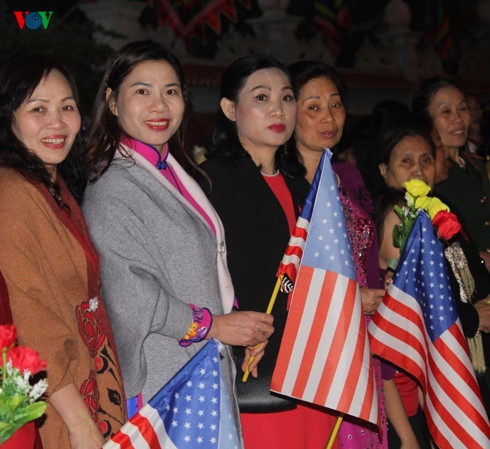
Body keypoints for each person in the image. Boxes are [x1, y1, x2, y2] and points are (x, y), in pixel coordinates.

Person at [82, 41, 273, 445]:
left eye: (170, 91)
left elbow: (202, 268)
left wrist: (239, 326)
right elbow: (131, 294)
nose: (160, 105)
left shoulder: (170, 170)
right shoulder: (113, 185)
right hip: (163, 380)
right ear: (112, 102)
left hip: (199, 366)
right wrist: (214, 325)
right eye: (142, 91)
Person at [199, 54, 338, 449]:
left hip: (310, 362)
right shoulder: (211, 183)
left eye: (287, 98)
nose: (278, 110)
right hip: (256, 365)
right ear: (230, 109)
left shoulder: (302, 185)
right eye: (261, 98)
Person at [282, 59, 420, 449]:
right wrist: (345, 300)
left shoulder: (349, 176)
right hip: (318, 349)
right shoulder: (279, 184)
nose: (329, 117)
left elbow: (371, 269)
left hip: (367, 342)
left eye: (336, 104)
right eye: (313, 106)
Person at [0, 54, 126, 448]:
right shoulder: (11, 195)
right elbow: (31, 319)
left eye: (66, 107)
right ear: (8, 118)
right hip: (56, 408)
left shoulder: (52, 186)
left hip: (87, 387)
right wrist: (80, 424)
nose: (56, 122)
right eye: (38, 109)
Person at [373, 114, 490, 428]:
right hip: (429, 365)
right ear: (384, 170)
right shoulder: (397, 214)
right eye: (406, 161)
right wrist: (473, 317)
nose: (418, 169)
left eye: (426, 159)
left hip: (467, 351)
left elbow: (473, 274)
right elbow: (413, 300)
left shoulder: (440, 207)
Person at [411, 77, 490, 268]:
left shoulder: (479, 165)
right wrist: (476, 259)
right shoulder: (427, 176)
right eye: (446, 111)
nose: (458, 119)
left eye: (463, 109)